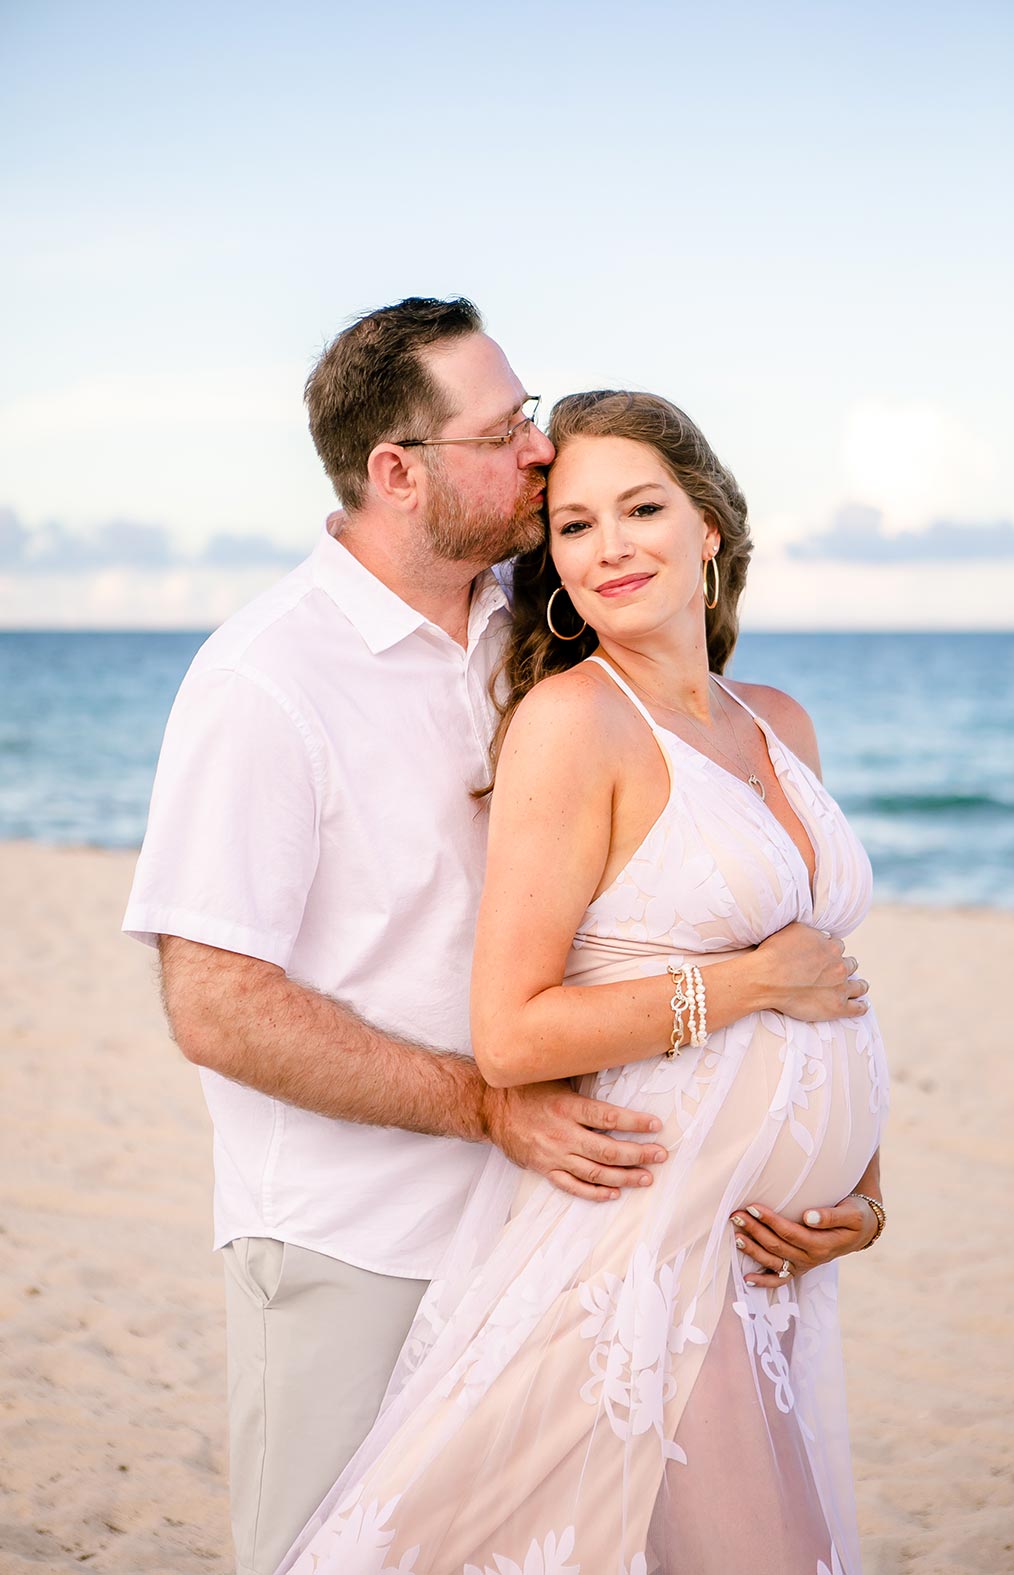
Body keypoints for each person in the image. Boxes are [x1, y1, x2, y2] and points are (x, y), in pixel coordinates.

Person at [122, 300, 869, 1575]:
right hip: (361, 1237)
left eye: (533, 415)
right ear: (397, 471)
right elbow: (215, 1001)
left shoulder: (527, 614)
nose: (540, 452)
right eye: (507, 428)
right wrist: (490, 1104)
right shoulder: (268, 681)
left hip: (576, 1217)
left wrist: (842, 1171)